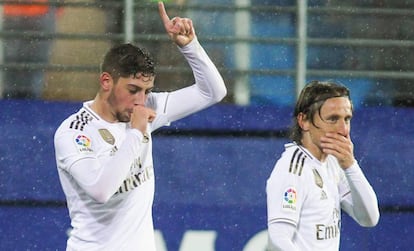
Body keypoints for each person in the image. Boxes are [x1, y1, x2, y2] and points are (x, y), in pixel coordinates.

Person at [53, 2, 226, 250]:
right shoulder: (75, 132)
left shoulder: (145, 107)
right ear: (106, 81)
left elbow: (212, 92)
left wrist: (189, 47)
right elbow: (101, 191)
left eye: (146, 91)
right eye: (132, 90)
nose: (140, 101)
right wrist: (136, 133)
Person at [266, 80, 379, 250]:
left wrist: (350, 166)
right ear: (304, 121)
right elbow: (277, 240)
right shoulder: (293, 170)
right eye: (333, 119)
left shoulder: (333, 162)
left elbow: (369, 218)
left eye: (346, 119)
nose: (344, 130)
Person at [2, 0, 59, 99]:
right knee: (35, 64)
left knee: (12, 62)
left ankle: (11, 100)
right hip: (41, 11)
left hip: (14, 11)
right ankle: (29, 100)